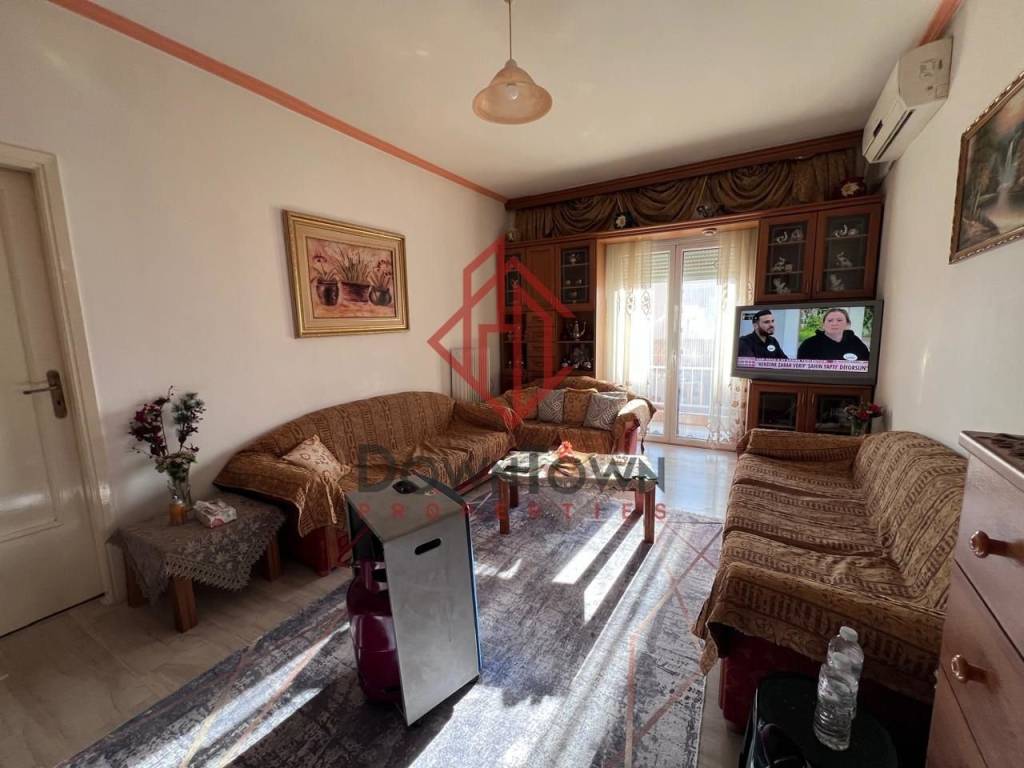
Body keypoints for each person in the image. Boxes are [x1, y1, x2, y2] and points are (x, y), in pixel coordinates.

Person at [797, 308, 871, 360]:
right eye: (830, 320)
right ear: (823, 325)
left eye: (839, 320)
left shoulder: (856, 342)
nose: (834, 323)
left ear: (848, 324)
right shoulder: (809, 345)